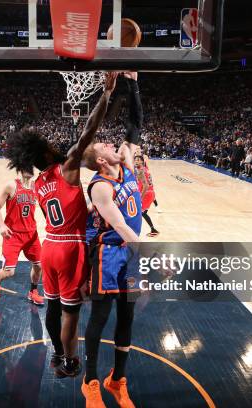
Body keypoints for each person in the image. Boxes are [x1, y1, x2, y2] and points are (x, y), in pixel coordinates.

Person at [4, 72, 118, 378]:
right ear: (45, 152)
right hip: (70, 247)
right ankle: (70, 361)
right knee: (71, 313)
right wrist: (106, 95)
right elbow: (87, 134)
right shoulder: (65, 168)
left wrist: (86, 206)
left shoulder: (39, 182)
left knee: (53, 308)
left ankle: (56, 352)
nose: (55, 145)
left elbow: (63, 207)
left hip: (50, 245)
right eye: (49, 144)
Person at [80, 72, 143, 408]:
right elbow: (118, 224)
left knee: (127, 318)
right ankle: (90, 382)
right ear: (101, 160)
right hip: (109, 255)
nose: (111, 142)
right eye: (104, 144)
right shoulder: (100, 186)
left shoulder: (127, 165)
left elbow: (135, 126)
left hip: (129, 252)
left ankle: (117, 380)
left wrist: (132, 83)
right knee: (100, 320)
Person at [0, 171, 44, 306]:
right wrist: (2, 226)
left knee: (39, 266)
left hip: (31, 234)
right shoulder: (11, 186)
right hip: (13, 235)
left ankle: (33, 292)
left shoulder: (36, 186)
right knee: (9, 272)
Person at [134, 153, 159, 237]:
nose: (136, 161)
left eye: (138, 160)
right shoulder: (146, 168)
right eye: (135, 160)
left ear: (142, 161)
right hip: (151, 193)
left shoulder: (140, 171)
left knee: (139, 213)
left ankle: (135, 233)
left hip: (146, 194)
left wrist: (140, 198)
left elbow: (146, 185)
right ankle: (153, 229)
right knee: (143, 213)